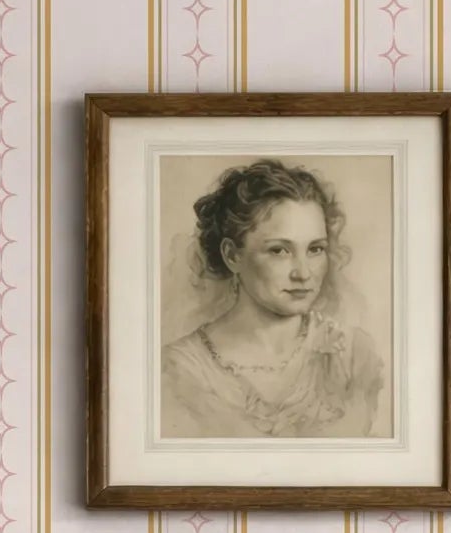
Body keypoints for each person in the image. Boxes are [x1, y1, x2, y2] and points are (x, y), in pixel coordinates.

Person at [161, 159, 386, 439]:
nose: (303, 273)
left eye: (315, 249)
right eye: (279, 251)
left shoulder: (354, 355)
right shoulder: (179, 370)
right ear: (232, 255)